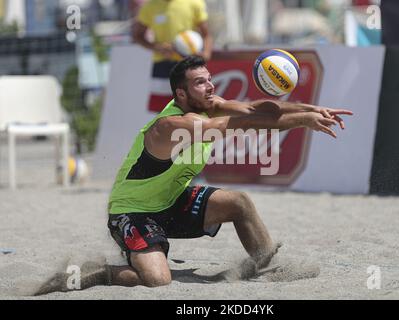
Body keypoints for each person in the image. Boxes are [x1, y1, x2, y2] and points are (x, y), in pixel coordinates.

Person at [35, 56, 352, 294]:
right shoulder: (170, 126)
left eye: (210, 78)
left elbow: (258, 109)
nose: (211, 86)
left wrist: (313, 110)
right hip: (133, 211)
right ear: (181, 95)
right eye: (200, 82)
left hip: (171, 203)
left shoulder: (208, 107)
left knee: (238, 202)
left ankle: (268, 265)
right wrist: (302, 120)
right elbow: (244, 122)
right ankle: (104, 273)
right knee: (157, 281)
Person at [132, 0, 213, 112]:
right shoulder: (150, 6)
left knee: (195, 108)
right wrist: (156, 47)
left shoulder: (194, 2)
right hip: (162, 64)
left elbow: (206, 34)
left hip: (189, 64)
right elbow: (137, 35)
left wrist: (206, 53)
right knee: (162, 111)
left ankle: (193, 129)